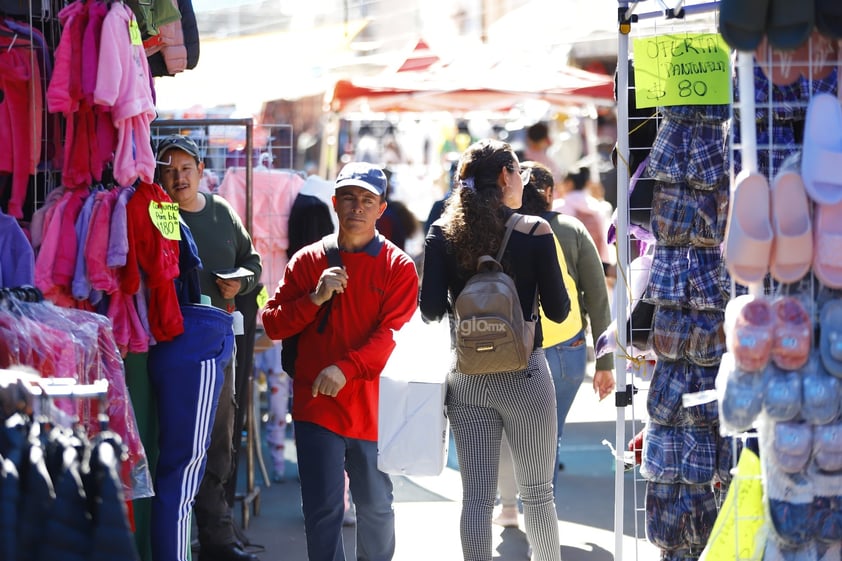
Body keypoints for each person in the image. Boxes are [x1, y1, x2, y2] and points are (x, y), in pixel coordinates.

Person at [419, 139, 570, 561]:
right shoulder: (535, 231)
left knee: (476, 500)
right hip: (525, 377)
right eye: (519, 171)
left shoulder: (442, 233)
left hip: (467, 379)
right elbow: (559, 311)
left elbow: (429, 311)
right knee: (538, 495)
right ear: (505, 176)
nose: (522, 179)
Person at [261, 162, 418, 561]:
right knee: (322, 512)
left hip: (372, 408)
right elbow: (273, 323)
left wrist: (344, 368)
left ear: (381, 209)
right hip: (317, 406)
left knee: (377, 509)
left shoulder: (399, 267)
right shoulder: (306, 260)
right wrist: (314, 298)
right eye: (349, 197)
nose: (357, 207)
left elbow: (391, 336)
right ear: (334, 202)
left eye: (368, 200)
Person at [156, 134, 263, 561]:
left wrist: (242, 282)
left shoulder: (221, 211)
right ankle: (182, 539)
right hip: (171, 341)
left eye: (186, 168)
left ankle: (216, 539)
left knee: (220, 437)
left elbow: (253, 262)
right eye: (170, 169)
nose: (179, 177)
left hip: (219, 340)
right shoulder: (157, 212)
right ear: (160, 174)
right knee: (178, 442)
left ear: (202, 171)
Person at [493, 161, 616, 529]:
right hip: (566, 347)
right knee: (550, 437)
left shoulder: (500, 229)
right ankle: (540, 522)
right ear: (550, 193)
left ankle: (510, 507)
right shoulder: (570, 229)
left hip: (510, 349)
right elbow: (596, 296)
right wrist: (606, 364)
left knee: (505, 431)